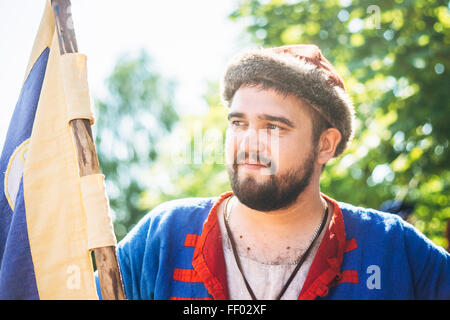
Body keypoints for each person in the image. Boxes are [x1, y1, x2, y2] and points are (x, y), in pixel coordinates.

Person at [108, 44, 450, 300]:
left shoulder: (392, 248)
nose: (250, 143)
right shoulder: (161, 239)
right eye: (239, 123)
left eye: (274, 127)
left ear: (325, 145)